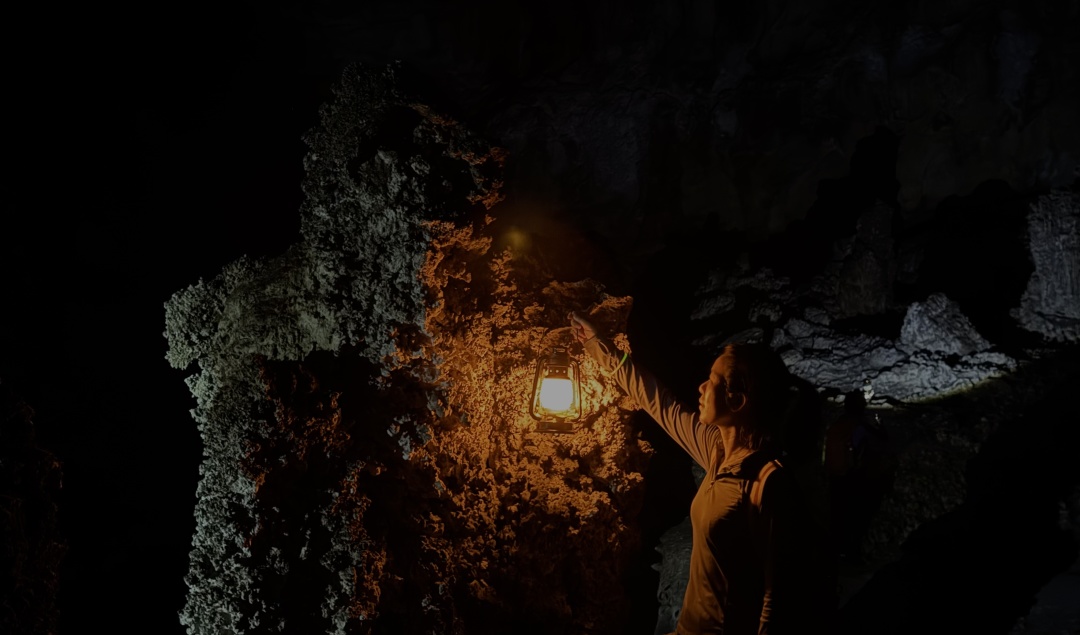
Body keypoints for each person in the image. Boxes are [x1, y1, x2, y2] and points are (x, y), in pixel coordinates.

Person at [570, 312, 835, 634]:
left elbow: (778, 593)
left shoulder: (766, 481)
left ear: (736, 399)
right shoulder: (716, 452)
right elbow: (660, 403)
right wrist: (599, 346)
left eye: (712, 380)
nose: (701, 386)